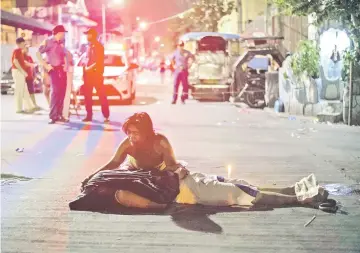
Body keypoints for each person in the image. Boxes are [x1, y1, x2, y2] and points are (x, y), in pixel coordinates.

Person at [82, 112, 329, 210]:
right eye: (129, 133)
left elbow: (173, 166)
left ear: (146, 132)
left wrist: (177, 171)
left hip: (180, 182)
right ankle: (299, 198)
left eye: (135, 133)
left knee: (238, 186)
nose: (131, 138)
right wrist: (94, 176)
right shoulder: (128, 149)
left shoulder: (159, 142)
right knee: (240, 190)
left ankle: (293, 194)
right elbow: (114, 164)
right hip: (176, 190)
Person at [37, 25, 68, 124]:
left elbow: (64, 54)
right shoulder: (48, 41)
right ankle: (53, 116)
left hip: (62, 70)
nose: (64, 35)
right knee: (55, 92)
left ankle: (59, 114)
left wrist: (66, 64)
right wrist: (45, 65)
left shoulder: (62, 41)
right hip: (53, 70)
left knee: (62, 92)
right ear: (58, 33)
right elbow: (38, 53)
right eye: (63, 33)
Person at [82, 28, 110, 123]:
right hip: (88, 75)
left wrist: (89, 68)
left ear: (92, 36)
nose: (86, 36)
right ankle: (89, 115)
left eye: (88, 34)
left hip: (96, 74)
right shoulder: (88, 47)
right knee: (87, 96)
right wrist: (85, 68)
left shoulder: (99, 47)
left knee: (101, 95)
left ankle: (106, 115)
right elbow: (87, 59)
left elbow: (98, 61)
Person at [12, 37, 35, 114]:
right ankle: (19, 109)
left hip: (19, 72)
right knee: (19, 91)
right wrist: (22, 71)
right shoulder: (17, 50)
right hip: (18, 72)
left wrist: (30, 64)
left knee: (24, 90)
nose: (24, 45)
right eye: (23, 43)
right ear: (20, 43)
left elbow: (22, 62)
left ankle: (29, 107)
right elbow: (15, 62)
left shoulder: (19, 51)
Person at [23, 45, 41, 110]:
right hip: (24, 77)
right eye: (26, 48)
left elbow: (33, 67)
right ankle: (27, 106)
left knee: (32, 91)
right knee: (25, 92)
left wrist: (35, 75)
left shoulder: (29, 57)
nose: (27, 49)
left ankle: (34, 104)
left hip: (30, 77)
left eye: (28, 48)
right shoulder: (22, 57)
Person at [62, 49, 75, 121]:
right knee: (65, 97)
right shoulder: (65, 52)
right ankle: (64, 113)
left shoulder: (65, 52)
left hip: (66, 78)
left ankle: (64, 113)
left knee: (66, 97)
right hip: (64, 79)